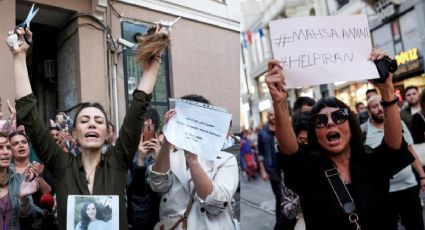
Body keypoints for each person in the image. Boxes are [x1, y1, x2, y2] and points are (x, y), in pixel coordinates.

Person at [8, 25, 167, 230]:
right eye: (84, 121)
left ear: (106, 133)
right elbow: (29, 116)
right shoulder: (61, 165)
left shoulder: (118, 162)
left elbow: (138, 108)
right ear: (74, 134)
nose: (92, 123)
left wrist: (153, 65)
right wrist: (19, 57)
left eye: (99, 121)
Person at [265, 49, 414, 229]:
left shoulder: (370, 160)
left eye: (338, 116)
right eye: (320, 120)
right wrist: (279, 101)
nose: (329, 123)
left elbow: (394, 148)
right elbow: (290, 153)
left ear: (351, 127)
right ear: (315, 135)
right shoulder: (308, 169)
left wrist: (387, 88)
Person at [149, 94, 239, 229]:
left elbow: (216, 204)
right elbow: (157, 185)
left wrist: (192, 159)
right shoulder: (171, 155)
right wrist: (168, 137)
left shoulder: (225, 159)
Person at [364, 95, 425, 230]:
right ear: (369, 111)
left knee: (416, 226)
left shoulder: (399, 124)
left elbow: (410, 150)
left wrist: (422, 175)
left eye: (381, 104)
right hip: (384, 194)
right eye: (375, 106)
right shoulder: (363, 132)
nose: (380, 109)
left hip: (409, 186)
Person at [0, 132, 40, 229]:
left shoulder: (20, 179)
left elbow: (30, 219)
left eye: (8, 147)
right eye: (0, 147)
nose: (5, 152)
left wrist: (23, 200)